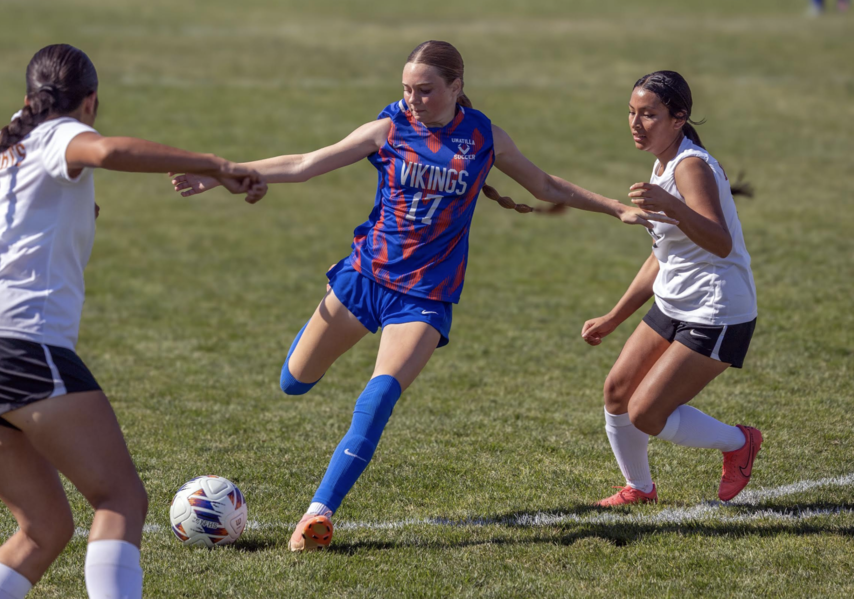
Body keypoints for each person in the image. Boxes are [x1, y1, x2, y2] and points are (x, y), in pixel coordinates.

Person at [171, 41, 673, 551]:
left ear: (456, 87)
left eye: (426, 90)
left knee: (379, 397)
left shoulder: (483, 137)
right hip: (363, 280)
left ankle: (317, 516)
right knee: (293, 383)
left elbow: (544, 184)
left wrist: (615, 208)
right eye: (407, 89)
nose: (414, 99)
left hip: (424, 298)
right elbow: (304, 163)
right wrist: (221, 172)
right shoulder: (387, 128)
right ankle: (325, 328)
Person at [0, 44, 264, 599]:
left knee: (43, 530)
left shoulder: (5, 147)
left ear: (27, 99)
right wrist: (217, 164)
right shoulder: (59, 134)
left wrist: (21, 192)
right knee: (121, 500)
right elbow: (106, 150)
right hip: (19, 342)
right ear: (89, 102)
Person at [581, 71, 760, 507]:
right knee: (618, 393)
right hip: (674, 302)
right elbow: (663, 255)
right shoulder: (662, 161)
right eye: (631, 112)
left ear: (679, 118)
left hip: (717, 310)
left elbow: (720, 242)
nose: (636, 123)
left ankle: (739, 442)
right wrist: (613, 317)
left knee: (646, 412)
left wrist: (673, 205)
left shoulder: (689, 166)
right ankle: (639, 489)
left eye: (649, 114)